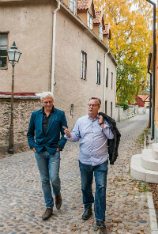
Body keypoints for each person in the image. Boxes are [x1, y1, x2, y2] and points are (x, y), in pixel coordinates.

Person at [63, 97, 114, 230]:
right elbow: (75, 137)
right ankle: (87, 207)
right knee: (85, 186)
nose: (91, 107)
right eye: (89, 105)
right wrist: (69, 134)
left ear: (98, 107)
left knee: (100, 188)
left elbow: (111, 136)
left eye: (94, 105)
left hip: (100, 161)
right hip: (84, 160)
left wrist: (103, 125)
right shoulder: (81, 121)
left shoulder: (105, 121)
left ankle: (100, 218)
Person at [27, 92, 68, 220]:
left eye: (50, 102)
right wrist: (32, 145)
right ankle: (49, 207)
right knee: (44, 180)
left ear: (53, 102)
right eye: (46, 102)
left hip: (53, 151)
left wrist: (59, 146)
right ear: (42, 102)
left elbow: (65, 133)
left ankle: (57, 193)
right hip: (39, 151)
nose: (48, 104)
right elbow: (29, 133)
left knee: (54, 177)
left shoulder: (60, 114)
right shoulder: (35, 115)